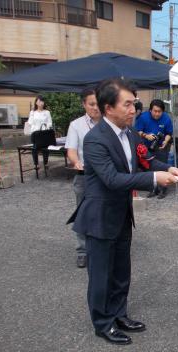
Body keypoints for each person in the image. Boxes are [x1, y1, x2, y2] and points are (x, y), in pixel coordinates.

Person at [67, 78, 178, 346]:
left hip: (121, 214)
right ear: (109, 108)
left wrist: (168, 168)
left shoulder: (129, 133)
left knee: (121, 270)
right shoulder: (95, 139)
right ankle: (103, 322)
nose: (134, 109)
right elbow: (112, 179)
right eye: (128, 104)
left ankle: (119, 314)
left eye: (134, 103)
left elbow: (146, 159)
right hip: (99, 217)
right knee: (101, 275)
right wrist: (154, 179)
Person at [65, 88, 101, 268]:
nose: (95, 108)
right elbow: (71, 150)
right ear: (84, 104)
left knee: (104, 211)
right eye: (91, 104)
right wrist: (76, 162)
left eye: (97, 104)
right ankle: (82, 250)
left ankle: (102, 248)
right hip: (84, 175)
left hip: (105, 176)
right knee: (83, 212)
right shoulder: (76, 125)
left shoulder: (110, 123)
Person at [134, 99, 174, 199]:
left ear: (163, 111)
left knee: (163, 167)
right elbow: (136, 131)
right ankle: (153, 189)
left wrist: (165, 141)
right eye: (154, 111)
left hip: (161, 147)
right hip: (146, 147)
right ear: (150, 110)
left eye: (159, 111)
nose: (157, 114)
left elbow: (169, 133)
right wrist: (146, 135)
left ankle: (163, 190)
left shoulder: (166, 118)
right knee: (149, 168)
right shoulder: (143, 117)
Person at [26, 95, 53, 167]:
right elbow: (30, 123)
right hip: (35, 134)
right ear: (36, 102)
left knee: (45, 148)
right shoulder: (32, 112)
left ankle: (46, 163)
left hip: (44, 133)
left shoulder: (47, 112)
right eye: (39, 101)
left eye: (42, 101)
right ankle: (36, 164)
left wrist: (46, 127)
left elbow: (50, 123)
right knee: (35, 148)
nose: (41, 102)